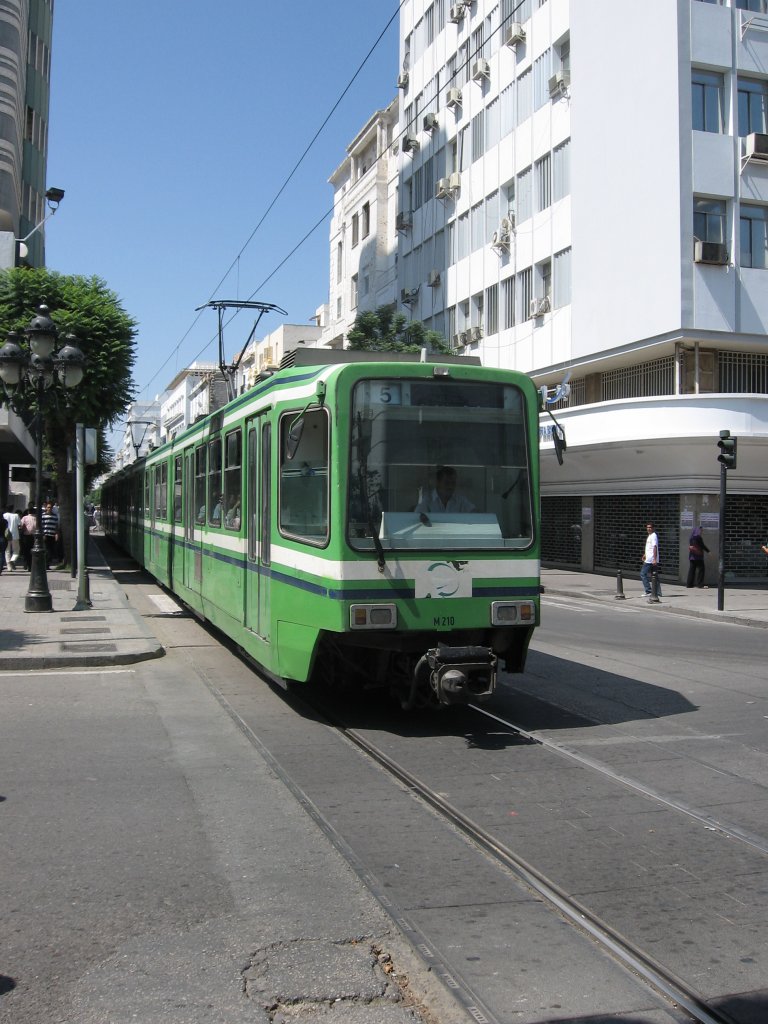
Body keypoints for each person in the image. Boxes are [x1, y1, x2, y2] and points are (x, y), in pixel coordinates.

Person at [640, 521, 662, 597]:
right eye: (648, 527)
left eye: (650, 527)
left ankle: (648, 590)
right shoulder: (650, 536)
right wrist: (645, 554)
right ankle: (658, 593)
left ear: (653, 528)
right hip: (649, 558)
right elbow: (649, 548)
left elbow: (655, 547)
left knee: (643, 574)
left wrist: (655, 559)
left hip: (650, 560)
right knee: (654, 575)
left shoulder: (653, 536)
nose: (649, 529)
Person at [41, 501, 60, 569]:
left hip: (52, 535)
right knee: (46, 550)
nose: (49, 508)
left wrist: (56, 534)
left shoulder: (54, 516)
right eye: (48, 507)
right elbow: (41, 526)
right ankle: (45, 564)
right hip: (45, 535)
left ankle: (47, 564)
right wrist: (43, 534)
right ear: (46, 508)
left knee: (51, 550)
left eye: (51, 507)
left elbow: (56, 526)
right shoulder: (43, 516)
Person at [19, 506, 37, 571]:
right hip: (34, 537)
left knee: (26, 551)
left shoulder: (25, 518)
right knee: (33, 551)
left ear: (28, 512)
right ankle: (31, 565)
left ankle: (26, 564)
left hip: (26, 536)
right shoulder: (36, 518)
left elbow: (20, 525)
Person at [3, 504, 20, 571]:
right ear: (12, 509)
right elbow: (19, 524)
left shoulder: (4, 515)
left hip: (6, 535)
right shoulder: (16, 515)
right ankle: (13, 560)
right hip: (15, 534)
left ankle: (8, 566)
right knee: (16, 550)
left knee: (7, 550)